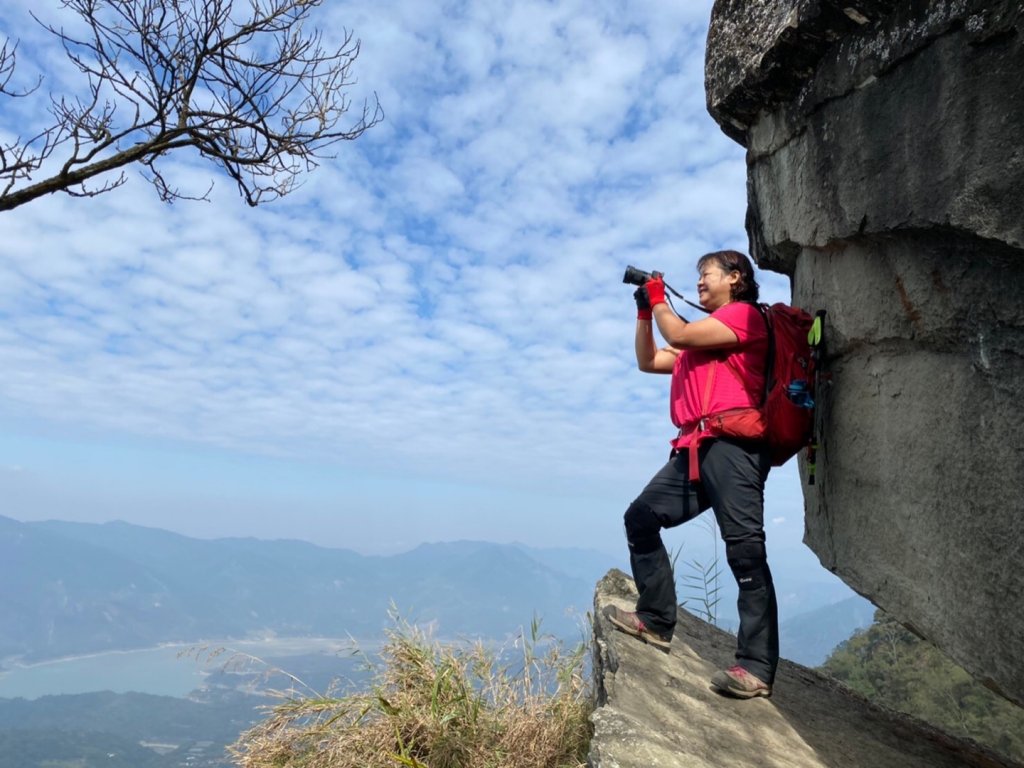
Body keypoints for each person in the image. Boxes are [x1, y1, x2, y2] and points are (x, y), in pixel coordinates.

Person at [605, 249, 778, 699]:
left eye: (707, 275)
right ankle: (656, 621)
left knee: (744, 551)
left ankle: (756, 667)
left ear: (735, 278)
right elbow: (649, 361)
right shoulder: (696, 346)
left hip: (735, 448)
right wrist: (646, 312)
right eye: (698, 277)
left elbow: (678, 332)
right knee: (640, 519)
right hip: (696, 448)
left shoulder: (744, 317)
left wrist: (661, 299)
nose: (700, 282)